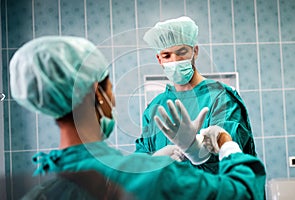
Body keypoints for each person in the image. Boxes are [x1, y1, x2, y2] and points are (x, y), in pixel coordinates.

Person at [10, 36, 265, 199]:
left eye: (181, 52)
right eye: (109, 84)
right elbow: (244, 192)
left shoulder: (42, 187)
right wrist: (227, 144)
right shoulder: (148, 177)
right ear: (97, 92)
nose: (174, 60)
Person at [135, 16, 256, 173]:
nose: (175, 60)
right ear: (159, 59)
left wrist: (196, 151)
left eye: (181, 52)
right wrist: (155, 161)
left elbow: (232, 161)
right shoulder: (155, 108)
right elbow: (140, 162)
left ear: (195, 51)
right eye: (167, 55)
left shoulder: (221, 98)